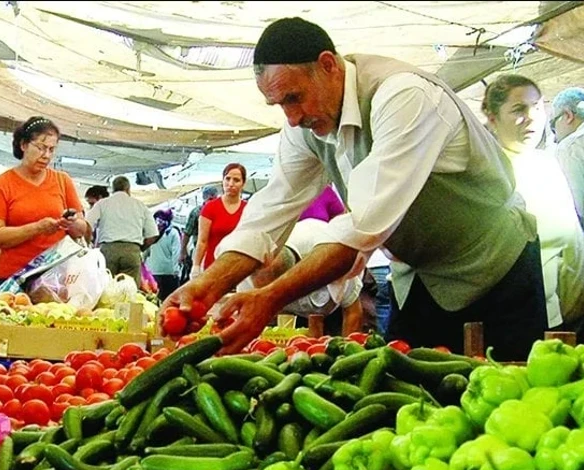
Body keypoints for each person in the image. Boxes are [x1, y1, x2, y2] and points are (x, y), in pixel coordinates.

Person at [168, 17, 544, 359]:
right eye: (279, 103)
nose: (292, 117)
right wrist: (206, 286)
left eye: (294, 97)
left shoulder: (403, 96)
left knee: (509, 395)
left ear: (329, 66)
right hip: (419, 279)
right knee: (412, 400)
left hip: (496, 269)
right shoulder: (306, 125)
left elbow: (360, 228)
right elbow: (269, 212)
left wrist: (269, 298)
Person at [483, 75, 584, 332]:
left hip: (561, 318)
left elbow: (572, 242)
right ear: (493, 119)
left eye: (537, 107)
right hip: (508, 321)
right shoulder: (484, 172)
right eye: (518, 110)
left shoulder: (547, 164)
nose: (531, 117)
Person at [0, 116, 91, 284]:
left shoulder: (63, 181)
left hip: (56, 277)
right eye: (41, 148)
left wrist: (72, 223)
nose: (46, 155)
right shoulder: (1, 184)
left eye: (51, 149)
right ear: (23, 145)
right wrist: (37, 228)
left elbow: (81, 229)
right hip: (13, 277)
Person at [244, 218, 366, 335]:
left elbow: (352, 312)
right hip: (292, 316)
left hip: (334, 312)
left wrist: (348, 349)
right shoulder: (249, 269)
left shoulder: (332, 257)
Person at [87, 176, 158, 279]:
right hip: (131, 251)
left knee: (107, 288)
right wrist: (140, 248)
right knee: (130, 290)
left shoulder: (102, 203)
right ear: (128, 189)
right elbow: (152, 235)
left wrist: (89, 242)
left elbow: (87, 223)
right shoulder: (140, 205)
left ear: (113, 189)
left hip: (108, 251)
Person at [193, 164, 248, 274]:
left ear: (243, 184)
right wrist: (196, 266)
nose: (231, 184)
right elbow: (202, 241)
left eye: (236, 180)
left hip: (240, 270)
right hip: (212, 268)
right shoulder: (209, 208)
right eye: (227, 179)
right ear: (222, 180)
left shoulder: (248, 209)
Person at [551, 87, 584, 222]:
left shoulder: (569, 147)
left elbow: (580, 208)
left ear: (568, 115)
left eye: (553, 127)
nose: (554, 138)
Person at [181, 186, 219, 282]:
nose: (213, 201)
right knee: (201, 279)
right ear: (205, 198)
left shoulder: (219, 211)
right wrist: (183, 251)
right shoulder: (197, 212)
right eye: (210, 199)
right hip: (200, 251)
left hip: (218, 250)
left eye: (215, 198)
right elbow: (187, 233)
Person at [145, 208, 182, 299]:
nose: (158, 225)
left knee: (155, 300)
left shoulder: (152, 234)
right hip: (168, 273)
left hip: (155, 273)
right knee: (168, 301)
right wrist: (176, 271)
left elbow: (145, 251)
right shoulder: (173, 233)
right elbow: (176, 253)